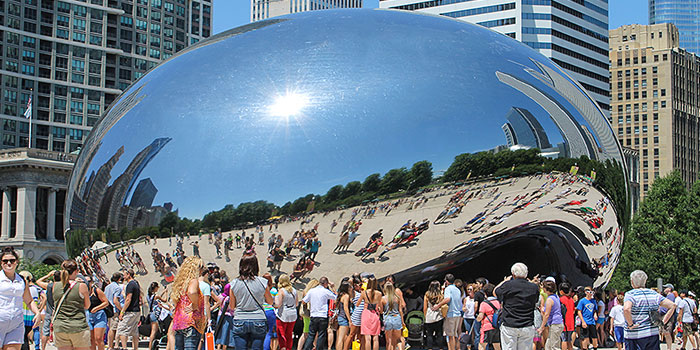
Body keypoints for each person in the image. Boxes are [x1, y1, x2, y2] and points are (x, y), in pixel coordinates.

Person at [623, 270, 676, 350]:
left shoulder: (630, 294)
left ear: (632, 282)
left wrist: (630, 324)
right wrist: (662, 322)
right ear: (645, 281)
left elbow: (626, 309)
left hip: (635, 335)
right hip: (652, 333)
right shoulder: (654, 294)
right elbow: (672, 305)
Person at [0, 247, 41, 350]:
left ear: (16, 262)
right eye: (5, 261)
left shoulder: (22, 280)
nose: (8, 263)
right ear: (1, 263)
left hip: (16, 323)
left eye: (12, 260)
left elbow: (29, 300)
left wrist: (37, 313)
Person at [230, 254, 273, 350]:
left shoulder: (234, 283)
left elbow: (232, 306)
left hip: (240, 319)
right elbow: (270, 302)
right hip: (258, 319)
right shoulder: (262, 282)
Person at [494, 263, 539, 350]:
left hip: (509, 324)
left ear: (513, 274)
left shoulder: (508, 285)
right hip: (527, 324)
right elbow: (536, 300)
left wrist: (505, 281)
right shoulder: (534, 287)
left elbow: (496, 292)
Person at [52, 259, 91, 350]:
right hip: (78, 326)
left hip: (60, 326)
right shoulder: (81, 286)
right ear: (76, 271)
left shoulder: (55, 285)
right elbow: (87, 305)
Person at [171, 256, 206, 350]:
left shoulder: (180, 283)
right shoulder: (193, 281)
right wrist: (195, 304)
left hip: (179, 323)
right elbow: (192, 292)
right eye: (201, 267)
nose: (203, 270)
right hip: (191, 322)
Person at [302, 277, 336, 350]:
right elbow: (335, 297)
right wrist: (333, 287)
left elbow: (304, 301)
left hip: (314, 315)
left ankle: (306, 348)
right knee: (321, 335)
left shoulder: (312, 291)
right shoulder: (326, 291)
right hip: (323, 315)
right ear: (326, 284)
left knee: (311, 334)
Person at [433, 274, 463, 350]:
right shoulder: (457, 289)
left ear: (446, 281)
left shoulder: (448, 289)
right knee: (455, 334)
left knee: (450, 336)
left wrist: (438, 305)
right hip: (458, 314)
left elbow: (448, 299)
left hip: (451, 314)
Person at [34, 270, 61, 350]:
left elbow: (38, 281)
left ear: (53, 277)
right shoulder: (64, 286)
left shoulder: (49, 286)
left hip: (49, 312)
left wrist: (48, 275)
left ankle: (43, 348)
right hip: (60, 312)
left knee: (45, 331)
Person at [117, 270, 141, 350]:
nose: (123, 277)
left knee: (121, 329)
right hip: (137, 310)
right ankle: (135, 348)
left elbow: (128, 299)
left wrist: (122, 311)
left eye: (124, 275)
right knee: (134, 331)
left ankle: (124, 348)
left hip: (130, 311)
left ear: (128, 275)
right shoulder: (136, 283)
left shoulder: (130, 285)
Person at [84, 276, 110, 350]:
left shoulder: (96, 291)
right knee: (91, 339)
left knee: (98, 338)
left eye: (88, 281)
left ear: (91, 282)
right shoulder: (83, 292)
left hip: (99, 315)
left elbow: (106, 302)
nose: (86, 283)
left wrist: (96, 308)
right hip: (88, 315)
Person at [274, 274, 297, 350]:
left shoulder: (281, 291)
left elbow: (278, 304)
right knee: (289, 334)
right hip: (293, 314)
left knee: (281, 333)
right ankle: (288, 348)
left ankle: (283, 348)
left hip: (283, 315)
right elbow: (296, 303)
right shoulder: (294, 290)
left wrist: (273, 304)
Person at [539, 280, 563, 350]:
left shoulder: (550, 299)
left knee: (554, 346)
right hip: (557, 323)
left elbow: (546, 314)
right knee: (548, 346)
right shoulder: (556, 296)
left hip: (555, 324)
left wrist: (542, 327)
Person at [360, 276, 382, 350]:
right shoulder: (379, 293)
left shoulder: (364, 292)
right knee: (375, 338)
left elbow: (357, 304)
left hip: (366, 314)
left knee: (367, 338)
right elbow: (381, 308)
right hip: (375, 314)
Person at [477, 283, 501, 350]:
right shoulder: (498, 302)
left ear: (485, 293)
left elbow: (480, 316)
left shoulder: (484, 303)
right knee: (497, 346)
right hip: (496, 326)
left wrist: (477, 319)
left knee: (482, 346)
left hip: (486, 327)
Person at [104, 272, 124, 350]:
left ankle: (110, 345)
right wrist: (122, 310)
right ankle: (113, 346)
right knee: (114, 328)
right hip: (114, 310)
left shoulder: (107, 287)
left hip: (107, 309)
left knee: (110, 327)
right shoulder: (117, 288)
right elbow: (115, 300)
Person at [382, 282, 404, 350]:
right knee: (398, 340)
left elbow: (381, 310)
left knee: (389, 342)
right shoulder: (397, 298)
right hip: (397, 318)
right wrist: (402, 322)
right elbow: (400, 310)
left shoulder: (383, 298)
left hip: (388, 319)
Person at [343, 277, 363, 350]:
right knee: (352, 334)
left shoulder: (360, 292)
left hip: (362, 315)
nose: (361, 286)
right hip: (357, 315)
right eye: (359, 285)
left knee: (360, 335)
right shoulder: (351, 293)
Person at [424, 280, 445, 350]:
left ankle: (430, 348)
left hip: (429, 316)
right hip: (438, 316)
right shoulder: (440, 295)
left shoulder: (427, 294)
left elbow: (425, 307)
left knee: (429, 334)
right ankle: (441, 348)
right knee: (439, 334)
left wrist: (425, 316)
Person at [334, 281, 352, 350]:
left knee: (340, 337)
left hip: (340, 317)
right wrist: (349, 320)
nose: (351, 288)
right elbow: (346, 308)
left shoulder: (340, 295)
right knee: (341, 338)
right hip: (344, 318)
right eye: (350, 287)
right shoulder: (346, 296)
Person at [558, 283, 575, 350]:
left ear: (561, 291)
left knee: (563, 339)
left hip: (564, 322)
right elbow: (573, 311)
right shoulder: (571, 300)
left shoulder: (561, 299)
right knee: (569, 340)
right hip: (571, 322)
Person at [659, 284, 676, 350]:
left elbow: (671, 307)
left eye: (665, 288)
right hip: (664, 315)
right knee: (664, 332)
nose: (664, 289)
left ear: (669, 288)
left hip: (667, 316)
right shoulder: (667, 296)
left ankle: (669, 348)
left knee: (667, 332)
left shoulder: (671, 295)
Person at [463, 284, 477, 349]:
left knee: (474, 331)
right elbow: (463, 307)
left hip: (473, 317)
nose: (469, 291)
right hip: (466, 316)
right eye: (468, 289)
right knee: (468, 331)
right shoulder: (466, 299)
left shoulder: (476, 298)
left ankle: (474, 344)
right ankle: (468, 345)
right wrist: (464, 309)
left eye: (470, 289)